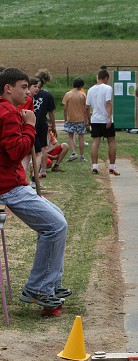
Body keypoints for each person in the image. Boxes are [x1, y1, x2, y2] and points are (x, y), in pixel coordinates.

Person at [0, 67, 69, 309]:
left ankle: (51, 283)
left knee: (58, 218)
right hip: (8, 186)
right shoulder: (6, 113)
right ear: (8, 88)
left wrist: (25, 115)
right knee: (55, 226)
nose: (29, 92)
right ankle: (38, 289)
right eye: (23, 87)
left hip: (14, 181)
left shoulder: (10, 109)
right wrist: (29, 125)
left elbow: (25, 102)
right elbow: (18, 151)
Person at [86, 68, 120, 175]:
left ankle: (94, 166)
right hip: (106, 119)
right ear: (106, 78)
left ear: (98, 77)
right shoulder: (107, 88)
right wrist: (109, 117)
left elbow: (87, 107)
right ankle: (112, 167)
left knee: (95, 142)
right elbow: (108, 103)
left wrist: (88, 119)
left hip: (95, 119)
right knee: (111, 142)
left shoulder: (90, 89)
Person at [33, 69, 56, 179]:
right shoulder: (47, 95)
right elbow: (51, 112)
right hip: (42, 123)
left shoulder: (28, 94)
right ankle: (43, 170)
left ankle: (33, 169)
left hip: (31, 123)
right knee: (42, 148)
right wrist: (54, 126)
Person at [62, 77, 88, 162]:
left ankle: (74, 152)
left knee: (70, 136)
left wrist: (65, 118)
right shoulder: (83, 95)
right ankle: (82, 155)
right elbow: (85, 108)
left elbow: (65, 108)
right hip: (81, 119)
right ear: (81, 86)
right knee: (81, 138)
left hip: (71, 119)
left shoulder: (68, 94)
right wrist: (86, 119)